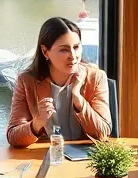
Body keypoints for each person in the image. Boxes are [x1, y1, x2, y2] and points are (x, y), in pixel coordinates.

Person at [7, 16, 112, 147]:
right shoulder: (26, 81)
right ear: (45, 52)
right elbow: (13, 137)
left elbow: (103, 133)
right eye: (64, 49)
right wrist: (38, 122)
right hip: (46, 156)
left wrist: (79, 101)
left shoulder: (96, 77)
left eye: (76, 47)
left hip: (85, 159)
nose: (73, 56)